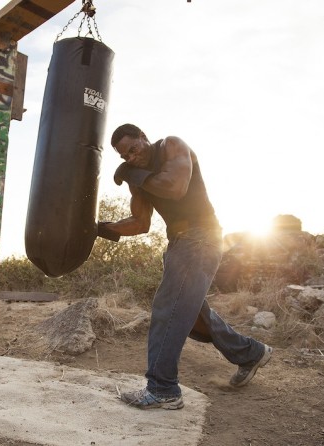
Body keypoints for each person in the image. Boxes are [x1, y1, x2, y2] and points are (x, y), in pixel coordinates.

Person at [98, 124, 272, 410]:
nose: (131, 158)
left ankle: (162, 388)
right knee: (192, 314)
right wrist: (98, 229)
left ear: (144, 137)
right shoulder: (136, 176)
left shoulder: (171, 147)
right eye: (124, 157)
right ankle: (250, 353)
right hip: (180, 244)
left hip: (201, 238)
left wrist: (134, 173)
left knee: (168, 311)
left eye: (133, 149)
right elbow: (140, 224)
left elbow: (175, 188)